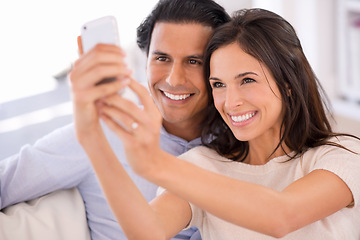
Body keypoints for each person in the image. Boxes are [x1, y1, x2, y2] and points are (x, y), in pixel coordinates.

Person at [74, 8, 360, 239]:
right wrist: (92, 138)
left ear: (287, 83)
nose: (230, 101)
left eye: (247, 80)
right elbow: (147, 231)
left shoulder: (341, 156)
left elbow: (280, 217)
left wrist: (154, 163)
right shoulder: (202, 165)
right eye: (219, 84)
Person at [0, 0, 230, 239]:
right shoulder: (102, 133)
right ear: (145, 59)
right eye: (162, 58)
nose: (173, 79)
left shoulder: (241, 140)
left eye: (194, 61)